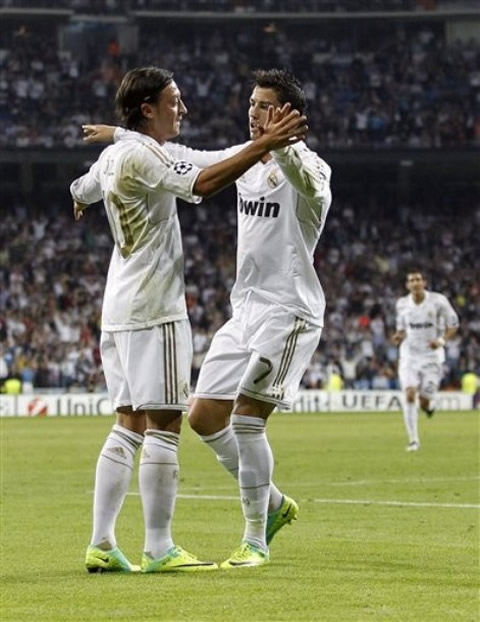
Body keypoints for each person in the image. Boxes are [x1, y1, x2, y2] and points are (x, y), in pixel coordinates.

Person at [84, 68, 331, 569]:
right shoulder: (243, 160)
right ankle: (276, 504)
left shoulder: (311, 169)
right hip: (244, 311)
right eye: (251, 103)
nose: (252, 112)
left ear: (287, 115)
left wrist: (281, 146)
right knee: (202, 416)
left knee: (243, 421)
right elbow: (176, 160)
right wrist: (124, 132)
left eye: (264, 106)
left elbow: (307, 183)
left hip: (289, 311)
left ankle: (255, 539)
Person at [391, 269, 459, 452]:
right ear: (407, 285)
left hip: (431, 357)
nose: (415, 283)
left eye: (418, 280)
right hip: (409, 356)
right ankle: (414, 440)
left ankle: (429, 405)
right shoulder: (402, 304)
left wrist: (441, 341)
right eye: (411, 280)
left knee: (424, 401)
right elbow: (402, 329)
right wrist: (398, 336)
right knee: (410, 394)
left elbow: (453, 325)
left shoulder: (438, 301)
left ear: (424, 283)